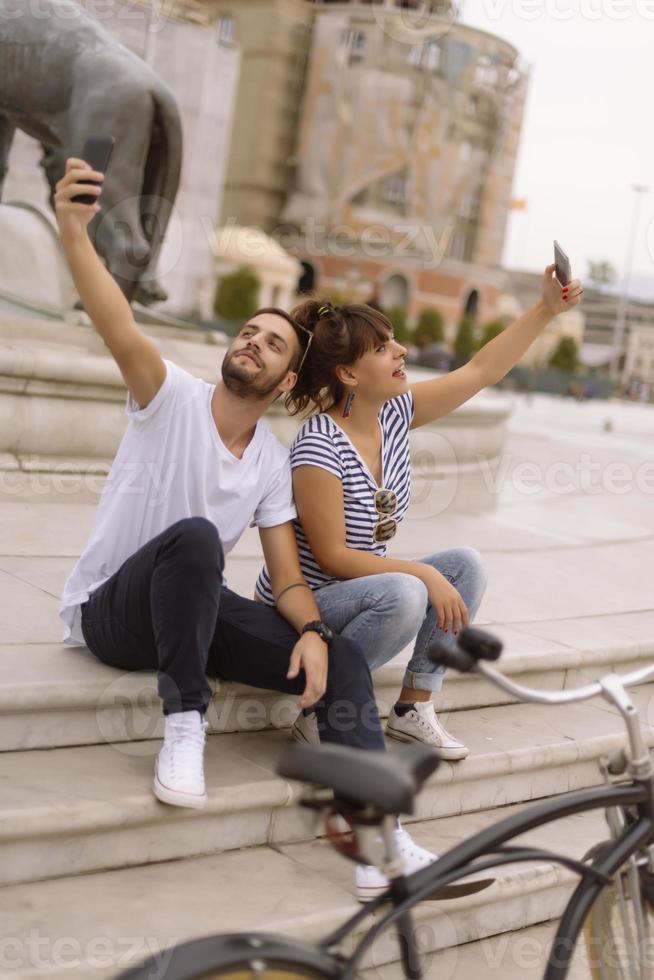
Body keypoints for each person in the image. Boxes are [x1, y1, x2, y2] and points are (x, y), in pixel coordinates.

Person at [53, 157, 438, 903]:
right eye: (248, 332)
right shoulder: (168, 398)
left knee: (345, 658)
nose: (253, 342)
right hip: (113, 613)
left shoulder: (271, 462)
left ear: (289, 382)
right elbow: (115, 320)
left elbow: (290, 578)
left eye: (272, 343)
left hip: (193, 608)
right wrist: (75, 232)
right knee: (196, 538)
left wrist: (313, 637)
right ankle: (185, 726)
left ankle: (375, 841)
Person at [256, 270, 584, 752]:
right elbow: (331, 557)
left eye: (393, 341)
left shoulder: (391, 415)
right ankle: (323, 709)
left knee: (464, 566)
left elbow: (479, 371)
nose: (401, 351)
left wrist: (545, 311)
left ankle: (413, 706)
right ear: (348, 374)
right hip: (303, 608)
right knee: (407, 592)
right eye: (384, 348)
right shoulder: (318, 446)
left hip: (360, 592)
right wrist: (419, 575)